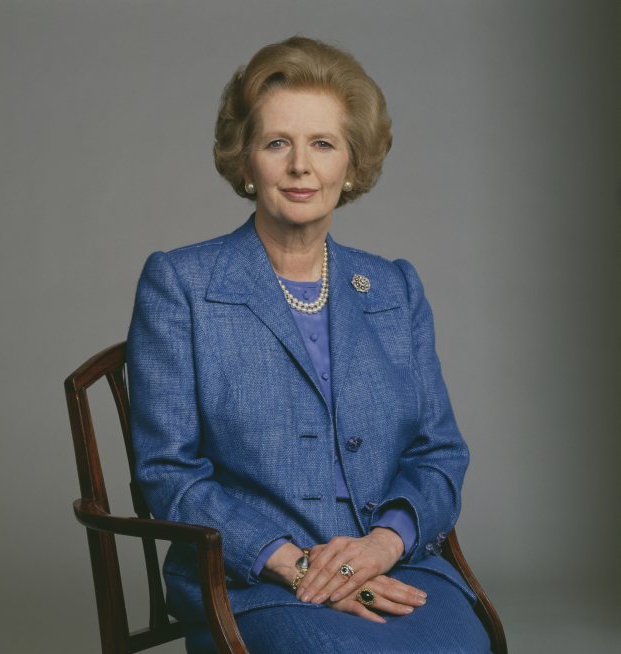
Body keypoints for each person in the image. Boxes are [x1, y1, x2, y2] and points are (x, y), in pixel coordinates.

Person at [127, 36, 492, 653]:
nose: (301, 166)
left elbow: (439, 453)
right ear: (246, 163)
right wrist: (298, 567)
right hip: (248, 580)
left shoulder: (394, 288)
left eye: (323, 143)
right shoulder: (182, 284)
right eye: (277, 143)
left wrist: (380, 547)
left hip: (390, 566)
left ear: (351, 164)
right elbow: (169, 472)